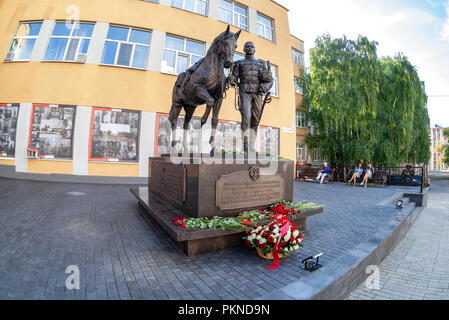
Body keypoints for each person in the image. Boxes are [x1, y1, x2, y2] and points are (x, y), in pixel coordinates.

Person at [227, 41, 274, 153]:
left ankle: (252, 145)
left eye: (252, 46)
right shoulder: (239, 63)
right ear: (244, 50)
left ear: (254, 49)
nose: (249, 48)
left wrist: (265, 87)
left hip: (257, 94)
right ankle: (246, 146)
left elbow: (269, 80)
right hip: (245, 92)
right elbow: (234, 77)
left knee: (255, 120)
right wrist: (232, 80)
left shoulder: (261, 64)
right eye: (247, 46)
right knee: (246, 118)